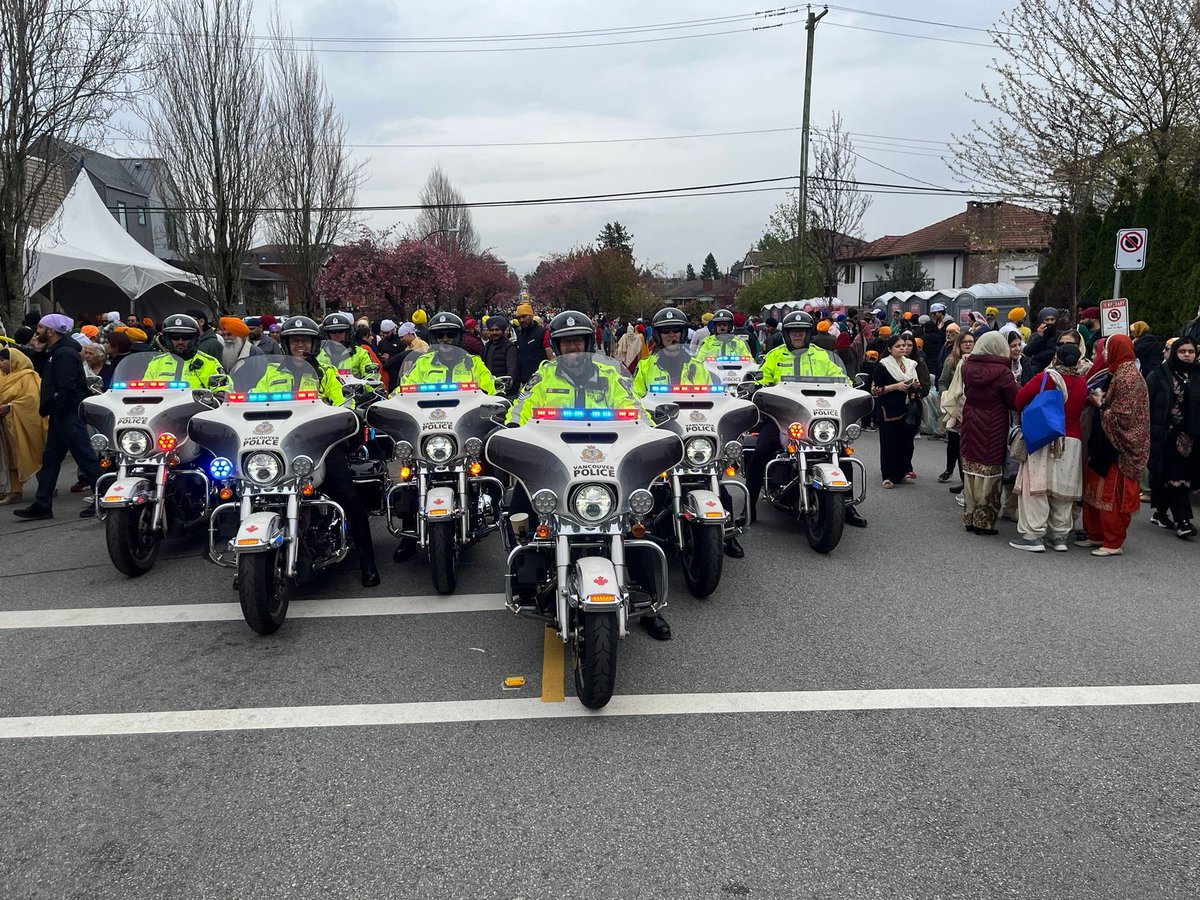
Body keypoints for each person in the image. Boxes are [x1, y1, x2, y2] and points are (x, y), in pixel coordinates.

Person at [505, 310, 671, 641]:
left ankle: (651, 604)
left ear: (589, 342)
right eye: (566, 342)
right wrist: (511, 427)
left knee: (637, 522)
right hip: (557, 465)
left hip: (606, 463)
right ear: (556, 346)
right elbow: (520, 408)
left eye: (578, 341)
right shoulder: (543, 378)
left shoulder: (612, 378)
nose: (573, 348)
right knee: (517, 502)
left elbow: (635, 409)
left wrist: (650, 430)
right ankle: (525, 578)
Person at [272, 315, 379, 587]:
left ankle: (368, 560)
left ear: (314, 343)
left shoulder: (325, 373)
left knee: (348, 495)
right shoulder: (269, 373)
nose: (300, 345)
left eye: (305, 340)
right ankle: (250, 559)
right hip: (278, 444)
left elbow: (343, 400)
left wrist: (348, 410)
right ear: (285, 343)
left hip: (319, 446)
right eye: (295, 340)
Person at [746, 310, 865, 528]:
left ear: (809, 333)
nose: (797, 335)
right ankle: (749, 506)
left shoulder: (822, 355)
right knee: (761, 450)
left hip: (817, 416)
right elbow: (763, 376)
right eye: (793, 332)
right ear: (787, 334)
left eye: (801, 331)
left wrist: (850, 384)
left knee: (841, 451)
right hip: (783, 418)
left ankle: (847, 505)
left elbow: (841, 378)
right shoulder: (775, 355)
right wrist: (759, 384)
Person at [12, 315, 100, 521]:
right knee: (50, 459)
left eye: (41, 327)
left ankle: (103, 497)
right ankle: (42, 504)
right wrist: (41, 353)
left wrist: (56, 407)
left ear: (51, 331)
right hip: (60, 414)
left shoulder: (65, 353)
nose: (37, 331)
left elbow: (67, 387)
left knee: (85, 457)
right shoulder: (56, 352)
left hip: (67, 414)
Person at [1009, 343, 1089, 552]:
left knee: (1036, 487)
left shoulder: (1044, 378)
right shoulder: (1082, 383)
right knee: (1062, 489)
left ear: (1056, 358)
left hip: (1043, 436)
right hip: (1072, 441)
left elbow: (1019, 400)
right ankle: (1059, 536)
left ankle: (1033, 535)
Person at [1079, 334, 1151, 556]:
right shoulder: (1118, 372)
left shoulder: (1129, 376)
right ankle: (1097, 535)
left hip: (1118, 446)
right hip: (1106, 441)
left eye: (1108, 349)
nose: (1105, 354)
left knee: (1112, 494)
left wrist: (1100, 404)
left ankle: (1113, 542)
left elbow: (1125, 417)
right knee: (1097, 491)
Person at [959, 331, 1019, 535]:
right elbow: (1014, 400)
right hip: (994, 422)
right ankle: (983, 522)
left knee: (971, 470)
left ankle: (969, 516)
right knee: (990, 472)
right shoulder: (1003, 372)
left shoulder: (967, 367)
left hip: (970, 418)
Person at [1146, 338, 1199, 537]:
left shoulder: (1197, 373)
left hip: (1193, 435)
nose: (1187, 355)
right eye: (1183, 351)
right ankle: (1183, 521)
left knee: (1180, 477)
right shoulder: (1159, 374)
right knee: (1176, 476)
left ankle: (1160, 512)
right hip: (1167, 434)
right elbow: (1148, 402)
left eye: (1191, 351)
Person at [397, 312, 496, 395]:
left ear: (459, 337)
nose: (445, 339)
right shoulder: (423, 363)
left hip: (467, 417)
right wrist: (392, 398)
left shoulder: (473, 363)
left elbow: (492, 387)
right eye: (440, 335)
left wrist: (499, 392)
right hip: (427, 416)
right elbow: (404, 387)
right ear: (434, 338)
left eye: (450, 335)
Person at [871, 334, 921, 489]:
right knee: (889, 444)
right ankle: (888, 476)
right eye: (898, 346)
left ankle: (900, 473)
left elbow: (917, 383)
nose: (902, 348)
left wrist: (915, 385)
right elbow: (875, 390)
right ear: (890, 349)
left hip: (907, 408)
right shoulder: (883, 366)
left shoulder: (911, 365)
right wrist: (895, 386)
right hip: (889, 410)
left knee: (905, 443)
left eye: (904, 346)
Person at [0, 348, 46, 505]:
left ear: (14, 360)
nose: (1, 364)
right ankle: (15, 491)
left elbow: (32, 400)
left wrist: (10, 406)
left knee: (34, 451)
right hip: (8, 425)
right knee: (12, 457)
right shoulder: (5, 378)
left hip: (26, 422)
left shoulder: (28, 376)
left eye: (3, 360)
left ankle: (46, 487)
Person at [147, 314, 226, 389]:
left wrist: (217, 396)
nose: (180, 342)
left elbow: (224, 389)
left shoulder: (210, 363)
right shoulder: (156, 363)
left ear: (193, 339)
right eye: (175, 337)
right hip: (164, 403)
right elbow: (144, 390)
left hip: (196, 403)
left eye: (185, 337)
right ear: (167, 339)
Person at [938, 331, 974, 486]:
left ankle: (964, 481)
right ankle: (949, 469)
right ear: (959, 344)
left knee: (967, 446)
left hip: (970, 407)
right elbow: (942, 382)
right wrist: (946, 396)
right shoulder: (951, 361)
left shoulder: (977, 360)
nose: (968, 344)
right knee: (954, 443)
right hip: (955, 407)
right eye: (965, 342)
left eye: (971, 341)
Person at [513, 303, 549, 386]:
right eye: (518, 318)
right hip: (525, 380)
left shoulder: (543, 332)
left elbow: (550, 357)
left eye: (524, 316)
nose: (521, 320)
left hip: (541, 380)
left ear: (531, 315)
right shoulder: (520, 336)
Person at [481, 316, 519, 394]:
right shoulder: (486, 347)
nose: (494, 332)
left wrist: (504, 387)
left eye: (497, 330)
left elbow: (512, 370)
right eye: (492, 330)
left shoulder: (510, 347)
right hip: (490, 390)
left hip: (505, 392)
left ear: (503, 330)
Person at [1021, 307, 1060, 373]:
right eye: (1047, 320)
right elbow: (1027, 352)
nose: (1049, 322)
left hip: (1056, 369)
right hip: (1038, 370)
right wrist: (1039, 337)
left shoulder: (1060, 335)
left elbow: (1056, 351)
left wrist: (1037, 356)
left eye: (1052, 319)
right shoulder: (1035, 336)